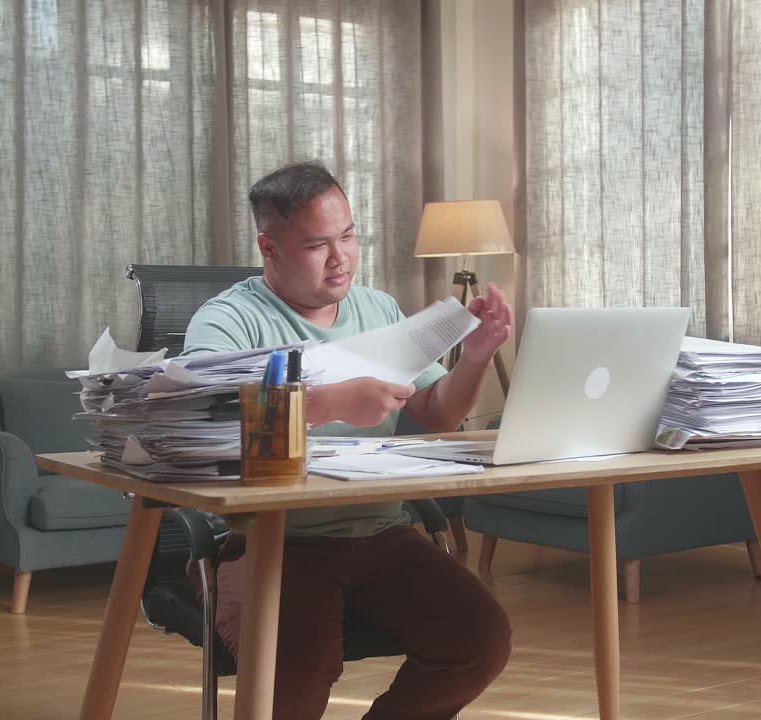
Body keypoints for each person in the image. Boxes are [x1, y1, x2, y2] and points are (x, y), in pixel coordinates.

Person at [183, 161, 513, 720]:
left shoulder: (378, 309)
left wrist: (475, 359)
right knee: (300, 669)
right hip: (275, 540)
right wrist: (333, 402)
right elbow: (208, 419)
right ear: (270, 247)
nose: (340, 258)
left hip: (380, 530)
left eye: (349, 236)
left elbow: (434, 413)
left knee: (479, 638)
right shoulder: (228, 321)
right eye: (317, 244)